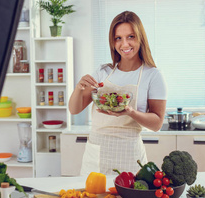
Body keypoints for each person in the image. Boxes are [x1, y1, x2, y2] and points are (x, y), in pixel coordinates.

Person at [68, 11, 167, 175]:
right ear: (113, 42)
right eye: (118, 38)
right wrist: (79, 88)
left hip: (130, 153)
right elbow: (74, 109)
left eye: (131, 37)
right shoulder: (103, 72)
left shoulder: (153, 75)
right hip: (97, 150)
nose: (125, 44)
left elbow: (157, 123)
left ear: (140, 38)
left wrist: (130, 112)